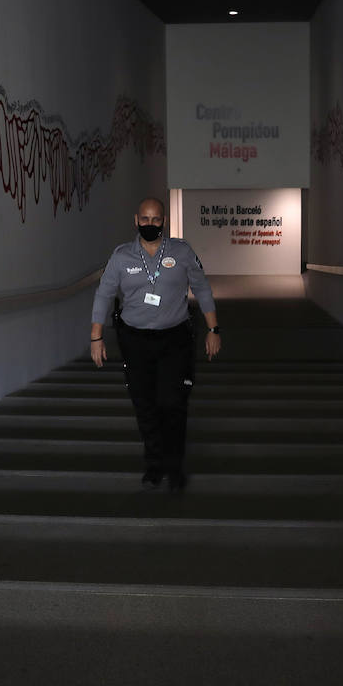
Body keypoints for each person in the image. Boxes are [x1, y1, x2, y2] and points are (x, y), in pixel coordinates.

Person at [90, 197, 220, 492]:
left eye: (156, 219)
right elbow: (103, 295)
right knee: (145, 404)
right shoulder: (121, 257)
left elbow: (201, 287)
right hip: (135, 341)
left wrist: (214, 328)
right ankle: (154, 465)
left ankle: (174, 467)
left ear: (164, 221)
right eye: (145, 220)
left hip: (174, 339)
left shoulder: (182, 252)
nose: (150, 225)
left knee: (173, 403)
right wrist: (96, 337)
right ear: (136, 221)